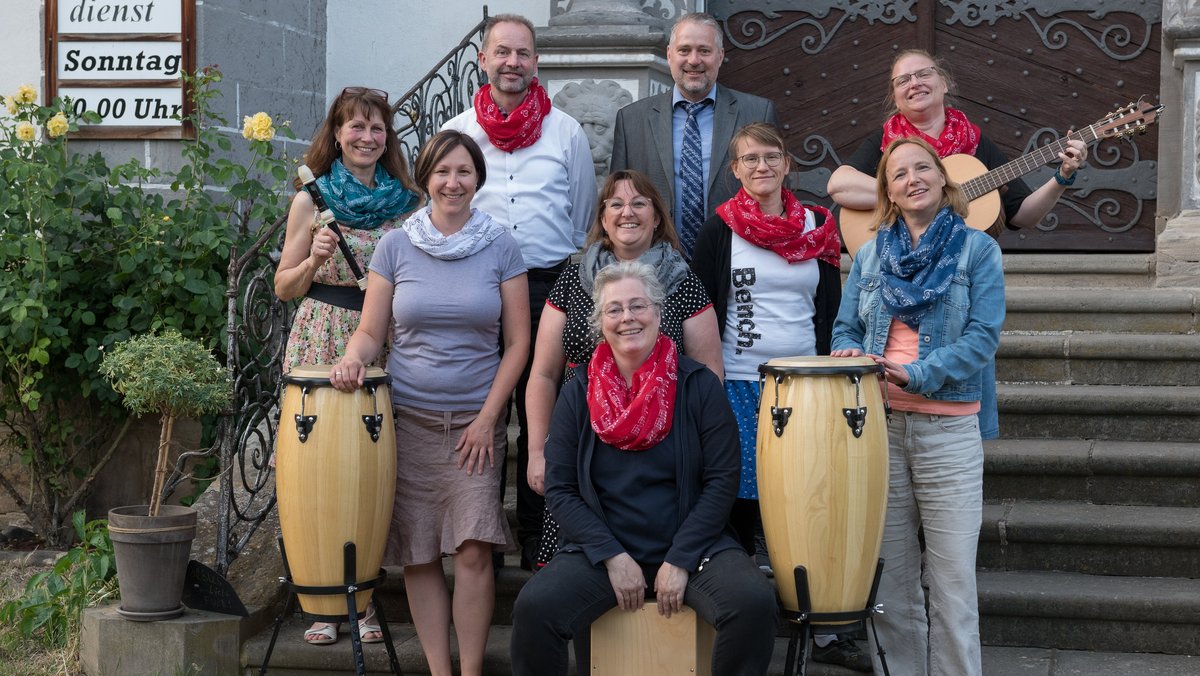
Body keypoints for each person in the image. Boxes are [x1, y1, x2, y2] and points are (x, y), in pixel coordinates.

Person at [511, 261, 778, 676]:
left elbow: (722, 479)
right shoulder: (577, 390)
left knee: (754, 603)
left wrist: (682, 556)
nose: (627, 318)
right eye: (614, 310)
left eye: (638, 306)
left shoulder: (698, 385)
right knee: (534, 609)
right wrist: (611, 556)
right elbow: (561, 489)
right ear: (599, 322)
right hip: (602, 549)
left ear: (658, 312)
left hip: (696, 544)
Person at [329, 130, 529, 676]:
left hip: (475, 426)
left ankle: (471, 671)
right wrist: (353, 358)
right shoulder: (395, 245)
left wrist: (489, 420)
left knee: (472, 551)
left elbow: (518, 344)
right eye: (442, 171)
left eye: (464, 171)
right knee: (417, 554)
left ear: (478, 179)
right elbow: (372, 333)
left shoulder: (501, 245)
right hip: (408, 422)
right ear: (425, 178)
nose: (453, 182)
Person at [826, 48, 1086, 441]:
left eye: (924, 74)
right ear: (894, 96)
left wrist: (1062, 177)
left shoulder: (976, 146)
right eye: (903, 80)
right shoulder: (885, 144)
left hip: (952, 292)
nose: (915, 83)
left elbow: (1022, 214)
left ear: (943, 83)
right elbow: (839, 185)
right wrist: (911, 193)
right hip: (896, 271)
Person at [690, 122, 868, 671]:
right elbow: (702, 308)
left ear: (788, 164)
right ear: (735, 170)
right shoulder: (720, 229)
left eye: (772, 157)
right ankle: (744, 620)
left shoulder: (818, 224)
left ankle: (825, 632)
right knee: (744, 506)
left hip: (808, 384)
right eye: (750, 160)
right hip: (740, 384)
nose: (761, 167)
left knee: (809, 505)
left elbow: (834, 309)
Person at [830, 137, 1005, 676]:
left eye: (922, 167)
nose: (912, 178)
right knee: (893, 580)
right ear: (888, 191)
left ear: (943, 178)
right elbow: (845, 327)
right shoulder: (869, 254)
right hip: (877, 429)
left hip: (947, 431)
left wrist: (918, 374)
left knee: (952, 584)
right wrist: (849, 351)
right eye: (898, 173)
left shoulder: (978, 251)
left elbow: (982, 338)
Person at [443, 14, 597, 570]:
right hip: (477, 288)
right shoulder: (460, 132)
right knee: (482, 409)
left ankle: (539, 540)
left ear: (536, 63)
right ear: (483, 60)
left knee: (543, 418)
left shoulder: (567, 131)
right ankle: (475, 534)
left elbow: (581, 216)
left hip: (548, 288)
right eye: (502, 52)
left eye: (523, 54)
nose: (513, 63)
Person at [273, 85, 420, 646]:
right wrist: (314, 258)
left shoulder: (407, 203)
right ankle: (325, 605)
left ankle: (363, 600)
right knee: (323, 474)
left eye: (376, 127)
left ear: (388, 137)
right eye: (355, 127)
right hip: (322, 335)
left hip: (384, 337)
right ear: (335, 134)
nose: (366, 137)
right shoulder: (311, 199)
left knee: (372, 472)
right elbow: (285, 288)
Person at [526, 169, 723, 567]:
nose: (626, 212)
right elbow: (544, 373)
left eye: (638, 203)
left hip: (663, 440)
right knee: (581, 567)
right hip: (582, 436)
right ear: (602, 218)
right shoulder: (573, 280)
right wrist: (537, 450)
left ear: (656, 217)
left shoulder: (684, 283)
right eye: (615, 204)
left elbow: (709, 375)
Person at [610, 12, 778, 258]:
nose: (694, 60)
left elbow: (773, 191)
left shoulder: (756, 112)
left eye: (704, 51)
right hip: (654, 263)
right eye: (684, 50)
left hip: (737, 259)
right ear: (669, 55)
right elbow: (616, 199)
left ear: (720, 56)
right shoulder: (631, 119)